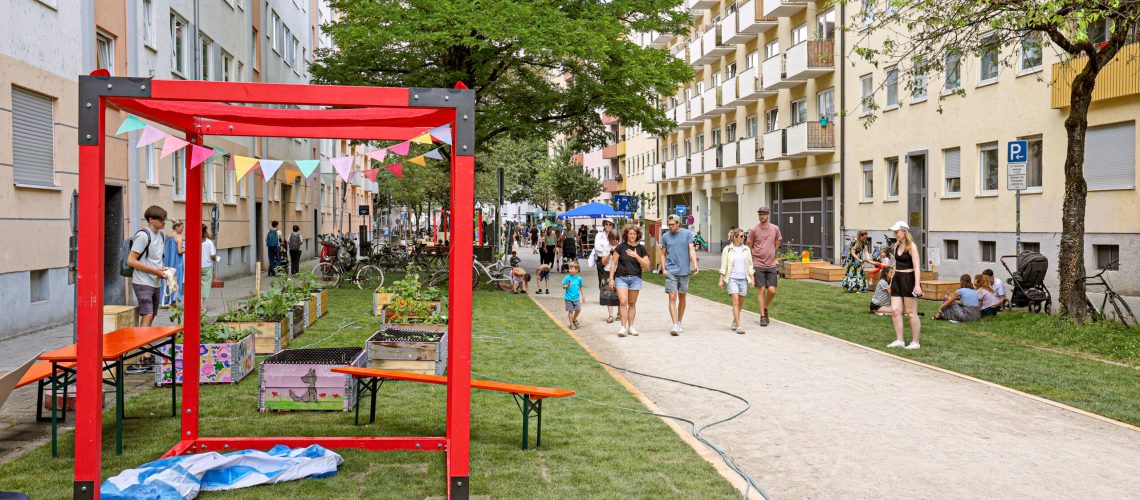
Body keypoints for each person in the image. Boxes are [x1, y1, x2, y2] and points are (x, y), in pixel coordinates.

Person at [128, 206, 170, 328]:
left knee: (152, 314)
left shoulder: (161, 235)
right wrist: (155, 272)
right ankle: (142, 344)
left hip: (155, 281)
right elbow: (131, 261)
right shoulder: (143, 236)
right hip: (142, 281)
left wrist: (163, 270)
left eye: (164, 219)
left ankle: (145, 342)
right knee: (148, 314)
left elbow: (156, 259)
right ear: (151, 219)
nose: (164, 222)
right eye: (161, 219)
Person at [886, 221, 924, 349]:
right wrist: (891, 282)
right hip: (897, 279)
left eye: (897, 232)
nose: (895, 234)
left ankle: (915, 342)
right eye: (894, 232)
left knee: (911, 312)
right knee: (895, 310)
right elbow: (895, 265)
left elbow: (917, 267)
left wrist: (917, 285)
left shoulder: (912, 246)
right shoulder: (896, 246)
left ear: (904, 232)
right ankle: (899, 340)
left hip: (909, 279)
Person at [660, 214, 699, 336]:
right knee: (672, 296)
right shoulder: (665, 236)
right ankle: (674, 324)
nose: (670, 227)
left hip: (684, 271)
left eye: (672, 224)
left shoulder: (687, 234)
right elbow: (662, 254)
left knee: (682, 297)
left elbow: (691, 249)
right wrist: (663, 268)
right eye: (669, 224)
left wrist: (695, 264)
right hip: (671, 271)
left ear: (678, 223)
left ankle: (680, 321)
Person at [609, 224, 650, 337]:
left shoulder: (641, 248)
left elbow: (647, 265)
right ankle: (622, 327)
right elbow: (613, 263)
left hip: (635, 278)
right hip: (621, 277)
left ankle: (631, 327)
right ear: (626, 234)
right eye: (630, 233)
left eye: (634, 234)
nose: (632, 235)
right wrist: (611, 279)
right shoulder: (621, 247)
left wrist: (636, 256)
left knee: (632, 303)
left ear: (637, 235)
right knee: (623, 302)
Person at [746, 206, 782, 327]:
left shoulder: (775, 229)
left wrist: (772, 253)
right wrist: (751, 261)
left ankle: (765, 308)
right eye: (760, 214)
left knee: (772, 290)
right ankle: (762, 316)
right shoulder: (754, 230)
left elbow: (778, 242)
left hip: (771, 264)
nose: (762, 216)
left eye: (764, 214)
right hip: (758, 264)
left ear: (768, 215)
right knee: (761, 289)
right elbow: (749, 246)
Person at [718, 228, 753, 334]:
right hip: (732, 279)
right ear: (735, 237)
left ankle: (734, 320)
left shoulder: (746, 249)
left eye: (744, 236)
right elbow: (723, 266)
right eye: (742, 236)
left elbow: (750, 265)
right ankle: (739, 326)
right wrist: (721, 280)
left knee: (740, 302)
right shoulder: (728, 249)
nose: (744, 238)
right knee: (735, 301)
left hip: (743, 279)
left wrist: (752, 279)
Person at [591, 220, 619, 322]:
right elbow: (597, 247)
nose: (608, 226)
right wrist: (607, 251)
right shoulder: (599, 235)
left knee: (618, 290)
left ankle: (619, 312)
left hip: (617, 269)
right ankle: (610, 313)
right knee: (605, 284)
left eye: (610, 224)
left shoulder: (619, 245)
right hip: (602, 260)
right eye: (606, 224)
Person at [159, 220, 186, 307]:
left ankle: (167, 300)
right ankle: (174, 301)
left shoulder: (167, 235)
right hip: (177, 262)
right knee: (176, 280)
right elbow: (179, 251)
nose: (183, 229)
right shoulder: (179, 238)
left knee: (168, 279)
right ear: (177, 227)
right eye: (182, 227)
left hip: (168, 261)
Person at [201, 224, 220, 313]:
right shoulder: (209, 242)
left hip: (196, 266)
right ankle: (201, 304)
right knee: (205, 286)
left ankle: (197, 303)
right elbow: (212, 255)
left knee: (197, 286)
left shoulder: (193, 240)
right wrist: (216, 258)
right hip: (207, 266)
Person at [563, 262, 585, 330]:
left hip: (576, 298)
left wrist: (583, 295)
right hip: (568, 298)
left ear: (576, 270)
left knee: (578, 309)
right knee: (571, 311)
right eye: (569, 268)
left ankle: (574, 319)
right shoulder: (567, 278)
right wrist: (567, 285)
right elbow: (563, 287)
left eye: (572, 268)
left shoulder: (579, 279)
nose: (570, 270)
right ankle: (571, 324)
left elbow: (581, 287)